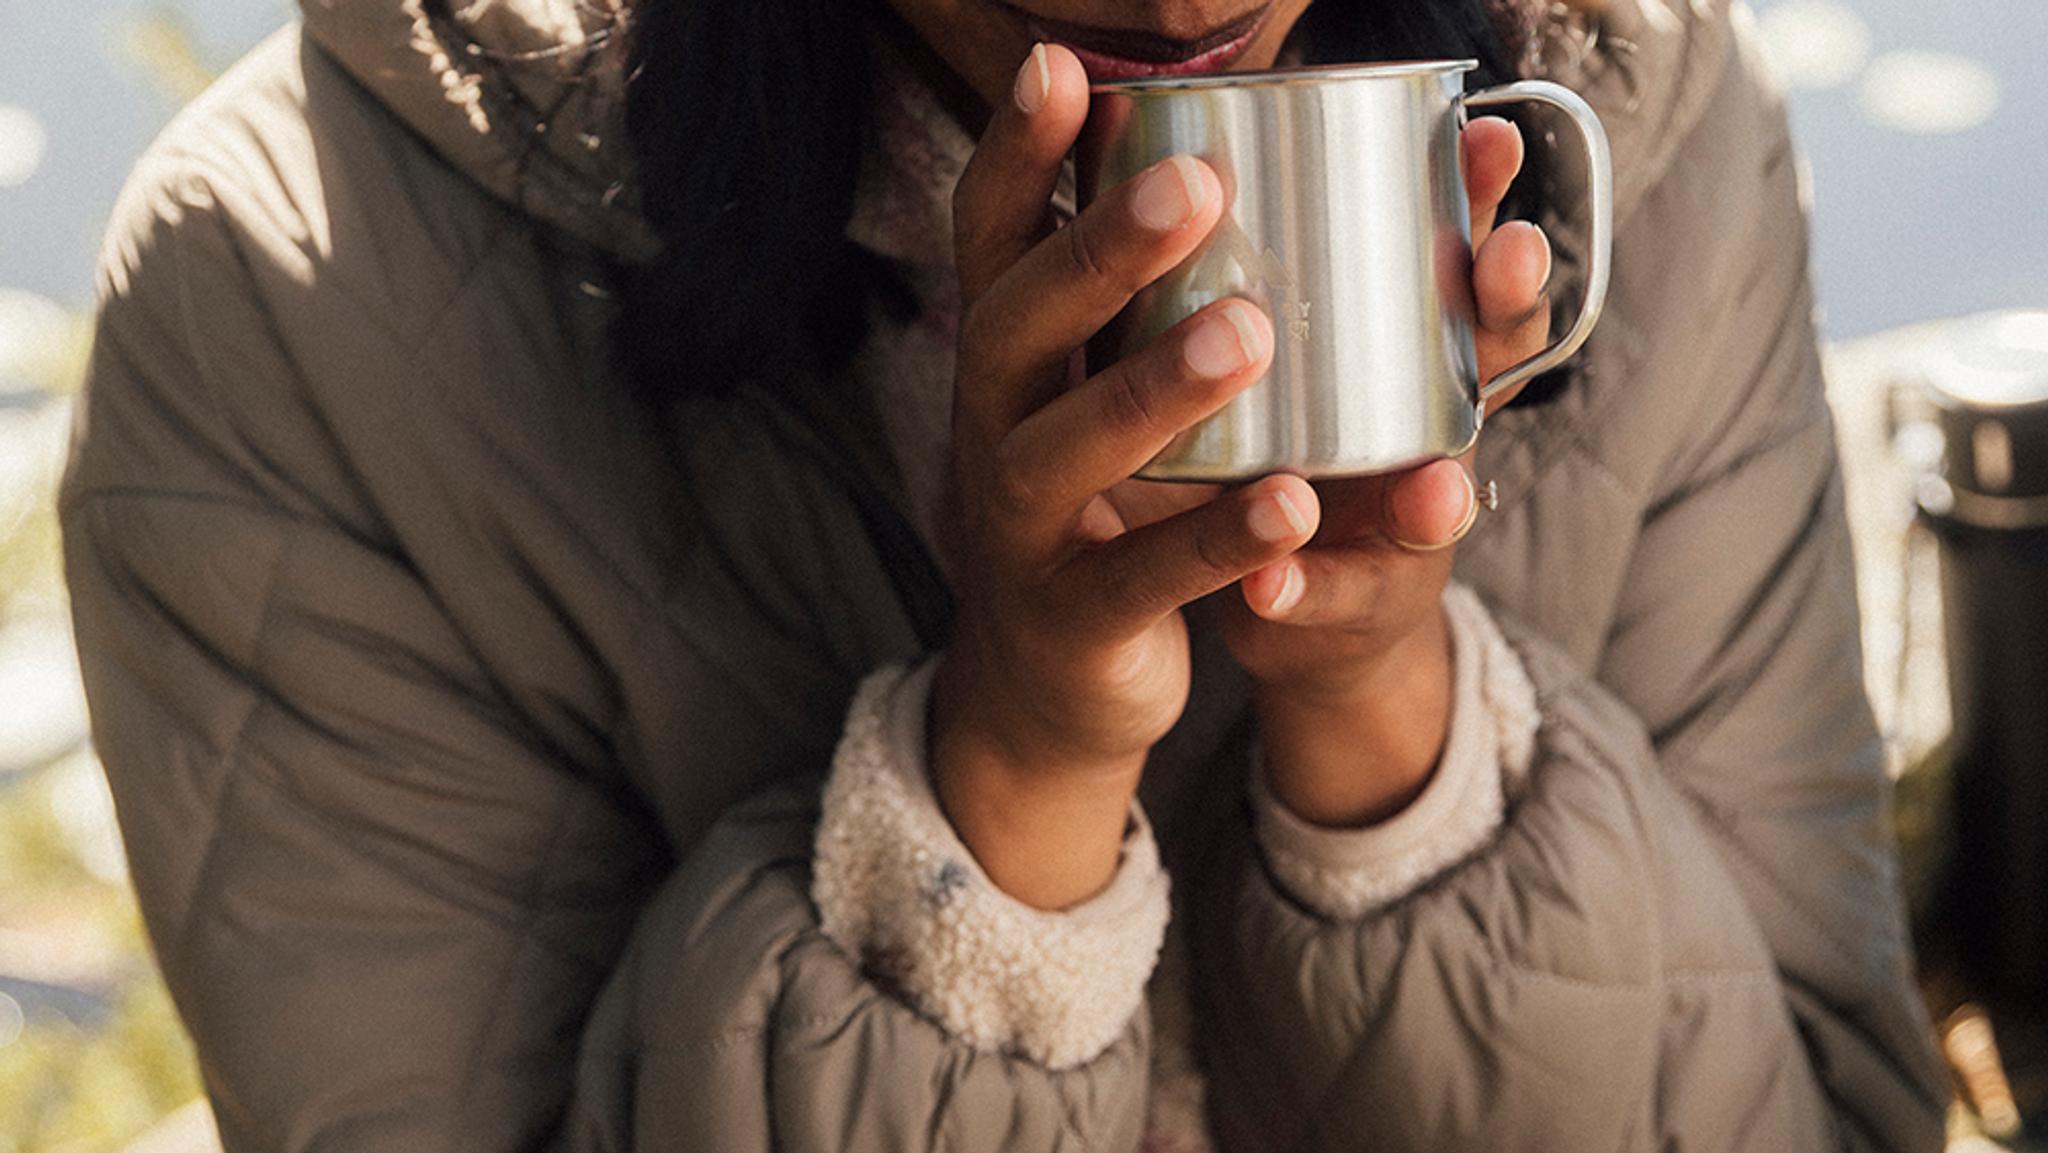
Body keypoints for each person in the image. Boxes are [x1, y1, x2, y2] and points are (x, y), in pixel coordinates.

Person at [59, 0, 1948, 1148]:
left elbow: (1838, 1118)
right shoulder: (289, 298)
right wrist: (1008, 776)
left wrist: (1393, 719)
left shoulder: (1642, 118)